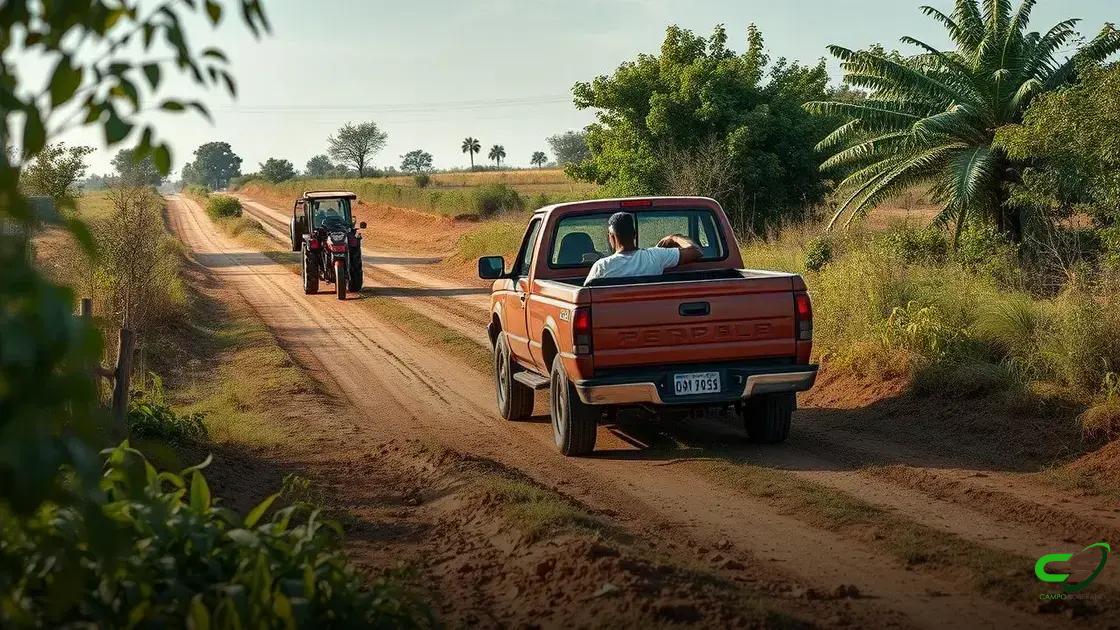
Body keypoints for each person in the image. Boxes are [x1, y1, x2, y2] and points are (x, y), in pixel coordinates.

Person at [583, 211, 702, 285]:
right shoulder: (656, 256)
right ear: (635, 234)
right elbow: (696, 251)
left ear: (611, 238)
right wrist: (674, 238)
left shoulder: (602, 266)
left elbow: (586, 294)